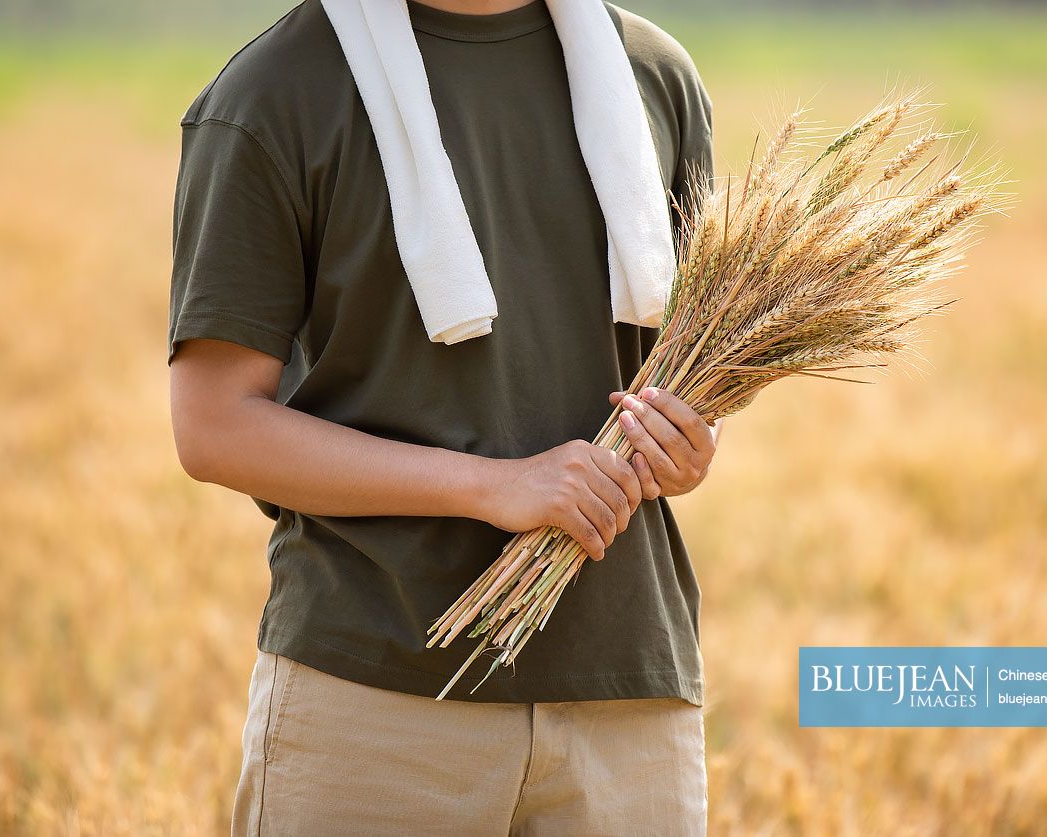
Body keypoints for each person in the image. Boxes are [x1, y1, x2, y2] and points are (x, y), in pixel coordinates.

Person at [167, 0, 718, 832]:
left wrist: (689, 445)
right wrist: (493, 486)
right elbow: (213, 426)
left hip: (630, 696)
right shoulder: (274, 92)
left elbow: (697, 366)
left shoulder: (656, 76)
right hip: (373, 700)